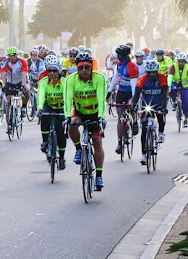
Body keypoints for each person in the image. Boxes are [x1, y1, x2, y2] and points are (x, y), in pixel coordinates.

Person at [64, 51, 107, 190]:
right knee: (72, 123)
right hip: (80, 111)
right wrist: (66, 117)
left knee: (97, 142)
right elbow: (67, 100)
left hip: (94, 112)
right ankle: (78, 149)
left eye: (87, 68)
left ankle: (99, 176)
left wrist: (101, 117)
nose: (83, 71)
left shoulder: (99, 78)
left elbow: (101, 99)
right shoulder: (71, 79)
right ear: (77, 68)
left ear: (91, 68)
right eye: (80, 68)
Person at [132, 60, 169, 163]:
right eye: (149, 72)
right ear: (146, 72)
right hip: (146, 104)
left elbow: (164, 94)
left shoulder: (162, 78)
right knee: (144, 129)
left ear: (157, 72)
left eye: (154, 72)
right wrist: (133, 106)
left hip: (159, 103)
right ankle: (143, 154)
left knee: (160, 115)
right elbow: (136, 95)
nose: (152, 74)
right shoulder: (142, 79)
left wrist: (164, 107)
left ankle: (161, 133)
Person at [107, 45, 140, 154]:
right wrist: (109, 91)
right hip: (121, 92)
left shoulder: (132, 67)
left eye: (120, 55)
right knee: (120, 118)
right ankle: (120, 142)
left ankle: (134, 120)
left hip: (130, 93)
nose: (119, 57)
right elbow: (116, 77)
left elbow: (134, 85)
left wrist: (134, 100)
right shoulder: (119, 64)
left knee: (132, 107)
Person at [37, 54, 67, 169]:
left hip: (61, 107)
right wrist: (39, 108)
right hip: (48, 105)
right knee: (43, 117)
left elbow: (67, 97)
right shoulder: (43, 82)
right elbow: (41, 96)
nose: (52, 73)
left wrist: (67, 113)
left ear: (59, 71)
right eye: (49, 71)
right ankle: (45, 141)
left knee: (61, 133)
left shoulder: (64, 82)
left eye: (54, 71)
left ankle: (62, 157)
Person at [1, 46, 30, 118]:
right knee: (9, 101)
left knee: (27, 89)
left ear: (17, 55)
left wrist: (23, 86)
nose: (12, 57)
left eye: (14, 55)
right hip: (10, 82)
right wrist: (3, 85)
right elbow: (3, 75)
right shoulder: (4, 62)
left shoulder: (23, 62)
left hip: (20, 81)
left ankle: (24, 106)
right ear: (8, 56)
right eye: (10, 56)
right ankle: (9, 122)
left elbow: (23, 74)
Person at [167, 52, 188, 127]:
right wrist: (169, 85)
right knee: (172, 90)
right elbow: (170, 76)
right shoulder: (173, 66)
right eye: (179, 61)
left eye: (182, 61)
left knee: (186, 102)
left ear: (184, 61)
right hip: (175, 82)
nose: (180, 63)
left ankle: (186, 119)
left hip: (185, 84)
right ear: (177, 61)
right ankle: (174, 103)